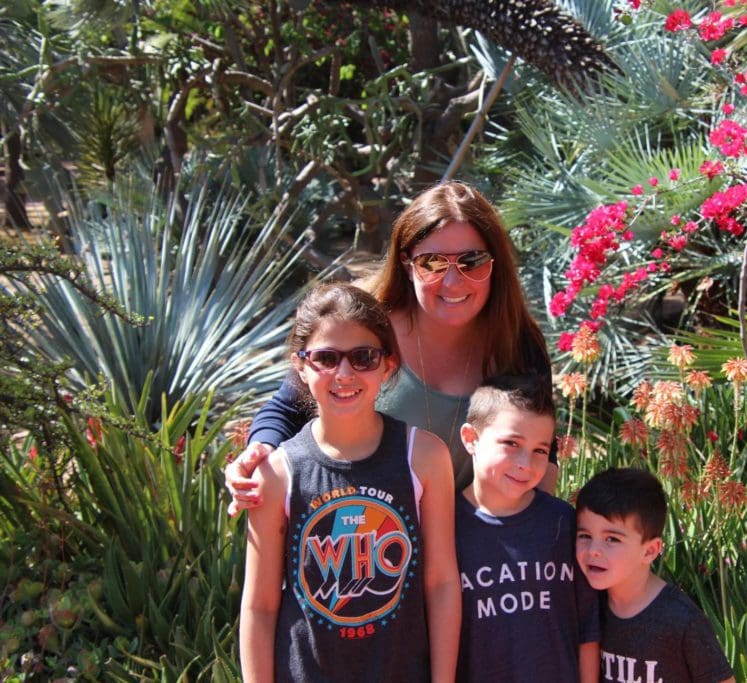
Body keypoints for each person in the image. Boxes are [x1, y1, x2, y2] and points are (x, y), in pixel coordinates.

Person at [228, 181, 557, 513]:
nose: (453, 281)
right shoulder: (361, 325)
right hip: (361, 543)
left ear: (495, 264)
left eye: (472, 261)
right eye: (432, 263)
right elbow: (287, 409)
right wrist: (258, 452)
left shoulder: (517, 342)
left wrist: (532, 538)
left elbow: (544, 452)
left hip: (471, 551)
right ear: (406, 264)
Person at [239, 282, 460, 682]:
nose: (344, 373)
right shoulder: (276, 474)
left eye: (363, 357)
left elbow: (442, 582)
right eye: (326, 358)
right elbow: (259, 605)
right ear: (301, 367)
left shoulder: (425, 458)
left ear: (388, 365)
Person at [455, 374, 600, 683]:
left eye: (540, 450)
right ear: (471, 439)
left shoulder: (563, 522)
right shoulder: (445, 527)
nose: (526, 463)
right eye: (512, 443)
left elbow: (589, 626)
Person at [575, 468, 735, 683]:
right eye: (585, 535)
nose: (593, 549)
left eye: (612, 539)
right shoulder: (590, 604)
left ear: (650, 550)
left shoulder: (680, 619)